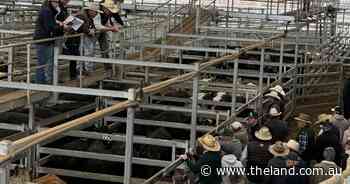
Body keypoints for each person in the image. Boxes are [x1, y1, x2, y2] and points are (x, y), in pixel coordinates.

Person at [34, 0, 70, 84]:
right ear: (50, 2)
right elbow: (50, 27)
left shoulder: (49, 10)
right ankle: (41, 82)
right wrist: (62, 26)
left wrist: (59, 25)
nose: (57, 4)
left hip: (46, 39)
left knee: (46, 61)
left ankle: (45, 80)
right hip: (43, 39)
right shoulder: (47, 11)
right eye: (55, 2)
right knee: (43, 62)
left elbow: (51, 25)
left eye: (57, 2)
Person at [96, 0, 123, 75]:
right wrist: (111, 28)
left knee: (105, 48)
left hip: (102, 32)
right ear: (104, 8)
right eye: (110, 10)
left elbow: (107, 23)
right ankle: (86, 70)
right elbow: (98, 26)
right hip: (93, 33)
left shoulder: (107, 14)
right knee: (88, 51)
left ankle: (107, 66)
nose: (111, 12)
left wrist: (113, 27)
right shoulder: (97, 13)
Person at [75, 3, 103, 76]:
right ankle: (81, 71)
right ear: (91, 11)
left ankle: (83, 70)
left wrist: (92, 29)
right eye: (96, 12)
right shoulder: (81, 15)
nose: (96, 14)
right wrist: (89, 31)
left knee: (83, 53)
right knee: (82, 53)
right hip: (76, 39)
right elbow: (78, 26)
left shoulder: (88, 17)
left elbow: (91, 26)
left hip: (79, 38)